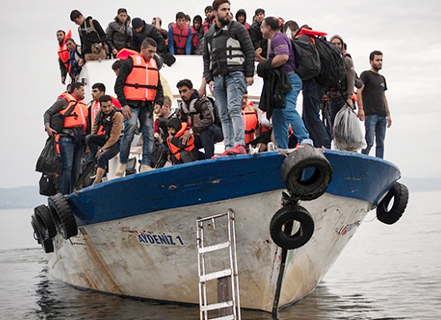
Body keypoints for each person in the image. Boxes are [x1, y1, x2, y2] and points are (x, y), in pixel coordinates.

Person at [203, 0, 255, 156]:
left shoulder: (237, 28)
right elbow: (206, 58)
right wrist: (209, 78)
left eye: (228, 9)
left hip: (235, 73)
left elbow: (249, 50)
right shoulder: (209, 33)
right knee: (224, 113)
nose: (227, 12)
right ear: (215, 12)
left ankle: (239, 144)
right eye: (223, 9)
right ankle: (229, 145)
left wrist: (249, 74)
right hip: (218, 77)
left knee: (233, 108)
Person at [256, 16, 312, 149]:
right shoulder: (276, 39)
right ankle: (282, 147)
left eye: (262, 27)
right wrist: (262, 60)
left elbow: (283, 57)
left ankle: (305, 140)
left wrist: (266, 64)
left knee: (287, 108)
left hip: (289, 80)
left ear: (268, 27)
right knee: (278, 114)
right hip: (282, 82)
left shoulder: (278, 38)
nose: (261, 29)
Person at [114, 38, 164, 175]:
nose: (152, 55)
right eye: (150, 52)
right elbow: (118, 86)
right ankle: (123, 162)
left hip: (147, 106)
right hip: (131, 105)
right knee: (129, 132)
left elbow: (158, 88)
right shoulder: (129, 63)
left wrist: (159, 103)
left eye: (154, 52)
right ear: (142, 49)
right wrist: (124, 104)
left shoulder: (154, 64)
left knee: (149, 135)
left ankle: (146, 164)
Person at [43, 82, 89, 194]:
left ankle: (73, 190)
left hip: (80, 139)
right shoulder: (63, 101)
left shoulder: (83, 105)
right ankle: (64, 193)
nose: (84, 93)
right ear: (76, 90)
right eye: (82, 90)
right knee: (67, 166)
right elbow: (48, 113)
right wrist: (47, 126)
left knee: (76, 167)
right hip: (67, 138)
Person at [296, 25, 331, 148]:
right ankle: (313, 145)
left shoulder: (303, 40)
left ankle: (324, 146)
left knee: (312, 117)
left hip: (312, 83)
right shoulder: (316, 41)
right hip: (320, 83)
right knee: (307, 117)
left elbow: (307, 66)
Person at [176, 79, 223, 159]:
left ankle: (209, 158)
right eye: (180, 92)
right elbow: (183, 123)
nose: (182, 94)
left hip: (216, 131)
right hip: (197, 134)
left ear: (191, 90)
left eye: (184, 91)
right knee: (182, 144)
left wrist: (191, 131)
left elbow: (209, 119)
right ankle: (202, 159)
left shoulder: (201, 102)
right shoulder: (183, 107)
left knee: (205, 131)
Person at [358, 50, 391, 159]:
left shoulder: (382, 79)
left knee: (380, 143)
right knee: (369, 142)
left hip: (382, 114)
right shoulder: (366, 74)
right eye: (377, 60)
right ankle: (362, 161)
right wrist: (361, 109)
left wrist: (388, 114)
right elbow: (359, 91)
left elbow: (384, 97)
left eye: (381, 60)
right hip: (371, 114)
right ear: (371, 61)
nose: (380, 62)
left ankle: (379, 163)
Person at [86, 95, 124, 184]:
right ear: (101, 106)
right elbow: (94, 129)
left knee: (102, 156)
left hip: (118, 142)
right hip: (107, 138)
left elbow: (115, 137)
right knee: (89, 138)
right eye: (104, 107)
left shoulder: (117, 115)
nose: (107, 109)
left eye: (109, 106)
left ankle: (97, 182)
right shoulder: (100, 114)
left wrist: (102, 149)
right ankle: (97, 164)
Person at [326, 35, 356, 136]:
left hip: (343, 98)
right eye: (334, 44)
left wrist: (349, 97)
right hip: (331, 98)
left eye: (338, 44)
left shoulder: (347, 60)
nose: (336, 46)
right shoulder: (328, 60)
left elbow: (351, 79)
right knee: (333, 128)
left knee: (345, 128)